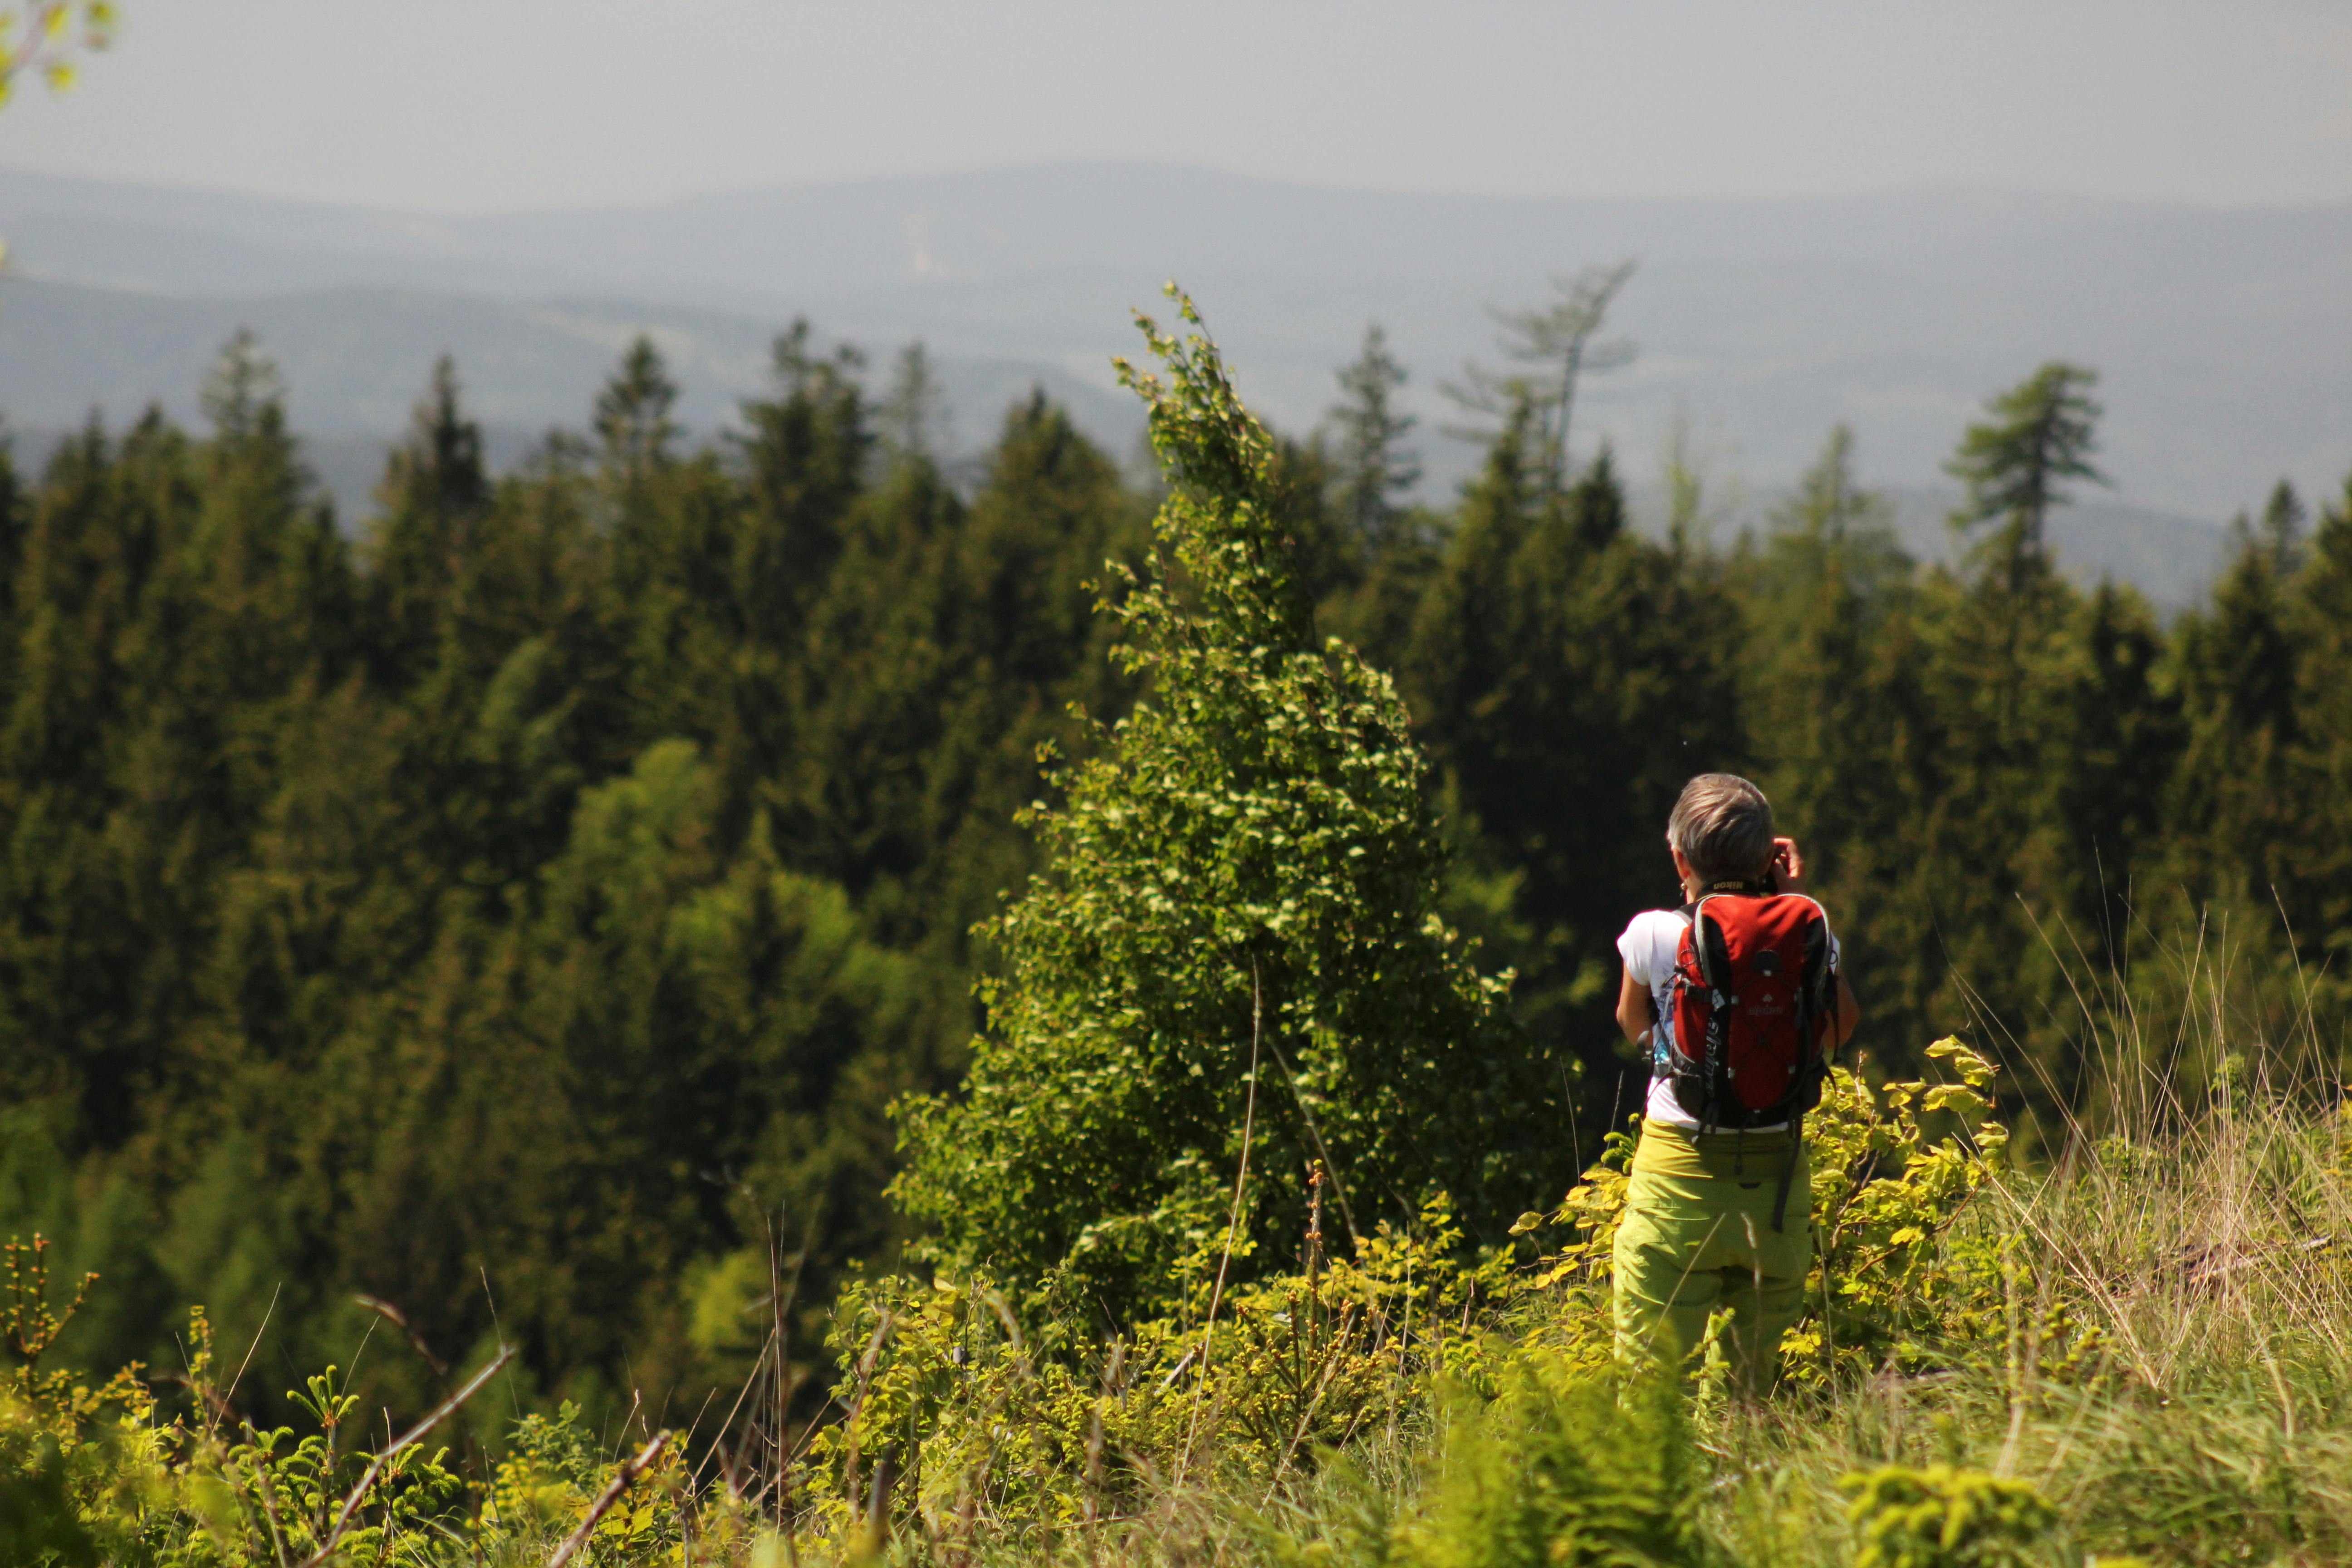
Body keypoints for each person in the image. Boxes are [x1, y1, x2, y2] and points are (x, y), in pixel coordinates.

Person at [1609, 772, 1861, 1387]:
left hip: (1678, 1182)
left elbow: (1630, 1018)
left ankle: (1656, 1486)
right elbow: (1839, 1030)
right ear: (1768, 857)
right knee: (1746, 1398)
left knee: (1650, 1393)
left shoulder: (1652, 933)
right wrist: (1799, 903)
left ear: (1679, 858)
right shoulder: (1808, 928)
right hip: (1775, 1192)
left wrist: (1664, 1054)